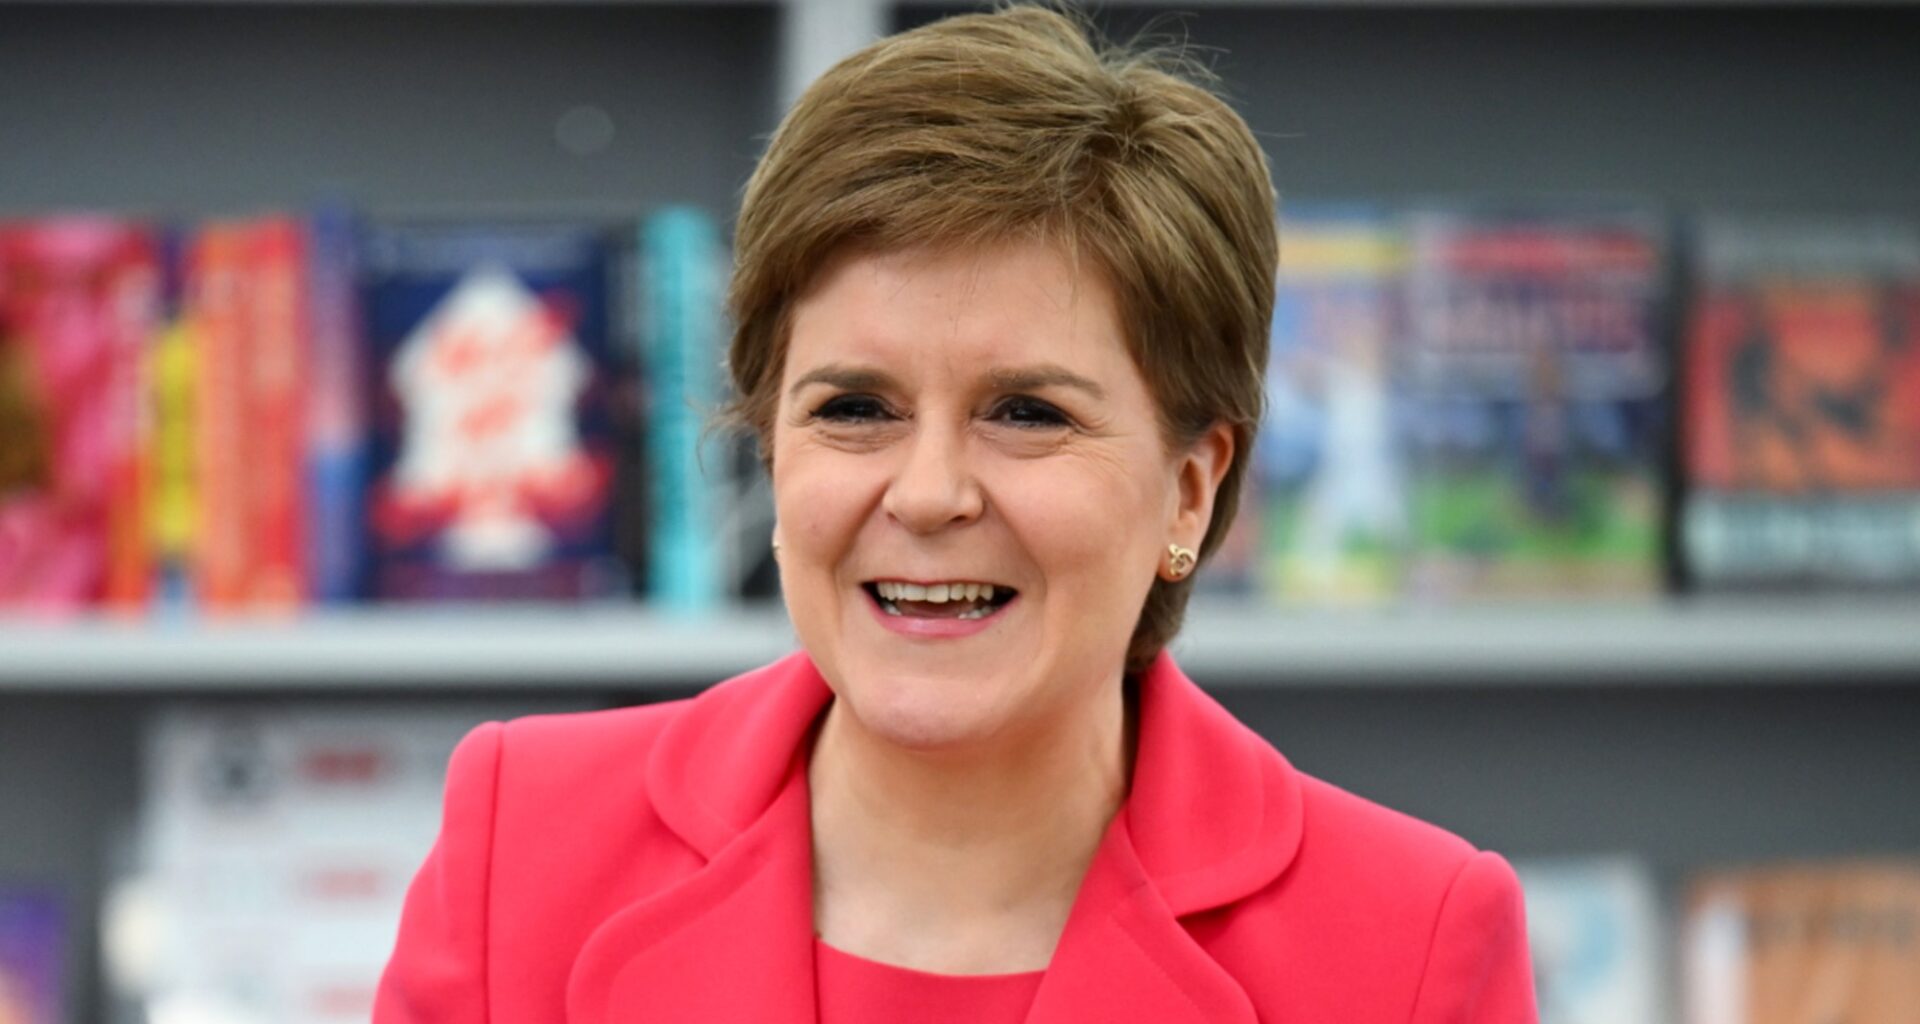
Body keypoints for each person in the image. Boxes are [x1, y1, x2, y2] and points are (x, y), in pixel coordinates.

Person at [375, 7, 1537, 1022]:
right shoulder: (521, 844)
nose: (928, 494)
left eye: (1027, 412)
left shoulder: (1413, 940)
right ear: (770, 443)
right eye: (857, 407)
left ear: (1191, 487)